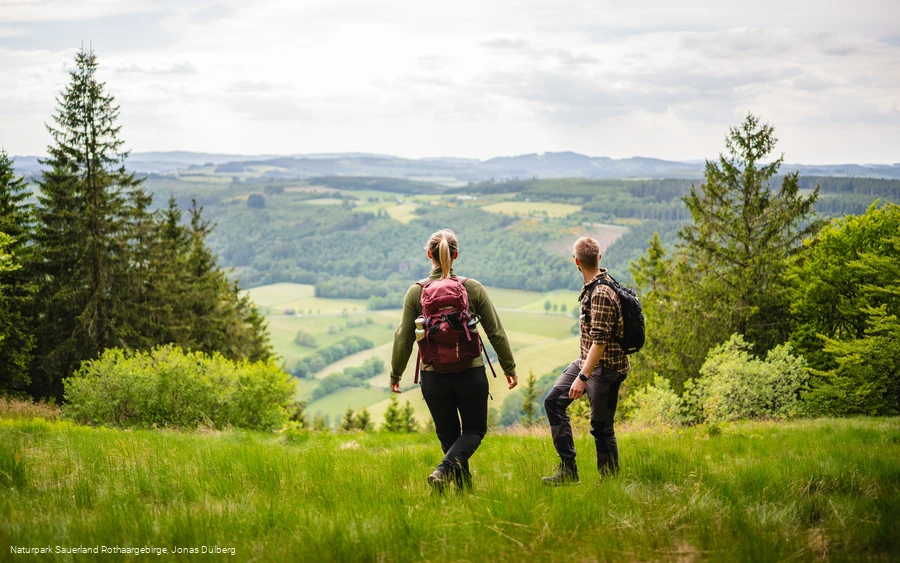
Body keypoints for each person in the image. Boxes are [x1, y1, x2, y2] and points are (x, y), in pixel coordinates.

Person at [389, 228, 517, 492]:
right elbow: (495, 330)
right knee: (473, 431)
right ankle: (445, 472)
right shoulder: (472, 288)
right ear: (456, 255)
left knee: (448, 436)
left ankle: (460, 489)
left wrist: (395, 374)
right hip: (470, 372)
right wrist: (509, 367)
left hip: (433, 374)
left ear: (429, 255)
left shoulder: (416, 292)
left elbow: (403, 337)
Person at [541, 236, 630, 485]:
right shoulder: (593, 285)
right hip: (587, 361)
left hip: (607, 368)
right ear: (598, 258)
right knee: (553, 403)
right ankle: (568, 471)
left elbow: (600, 342)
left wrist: (582, 378)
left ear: (576, 261)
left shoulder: (601, 292)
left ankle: (610, 483)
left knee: (602, 427)